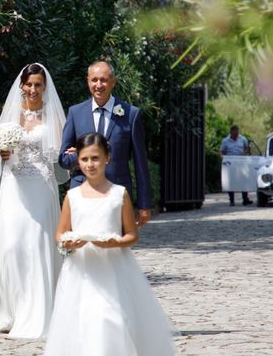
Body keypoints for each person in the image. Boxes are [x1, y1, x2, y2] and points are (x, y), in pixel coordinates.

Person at [45, 133, 176, 356]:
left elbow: (132, 235)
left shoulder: (119, 194)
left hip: (113, 270)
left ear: (108, 157)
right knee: (83, 324)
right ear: (78, 161)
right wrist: (68, 242)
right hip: (81, 272)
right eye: (84, 159)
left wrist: (113, 242)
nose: (90, 164)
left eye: (95, 158)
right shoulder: (72, 197)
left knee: (110, 320)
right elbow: (60, 234)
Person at [0, 63, 69, 338]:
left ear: (45, 88)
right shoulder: (11, 114)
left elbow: (60, 155)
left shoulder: (53, 115)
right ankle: (7, 311)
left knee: (37, 244)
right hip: (14, 186)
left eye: (38, 85)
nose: (33, 89)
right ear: (22, 85)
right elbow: (0, 150)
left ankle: (40, 310)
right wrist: (4, 153)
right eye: (29, 84)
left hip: (41, 187)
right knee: (11, 246)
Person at [59, 61, 152, 227]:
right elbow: (63, 159)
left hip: (116, 194)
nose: (98, 85)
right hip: (82, 193)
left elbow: (140, 163)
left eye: (104, 80)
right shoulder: (75, 112)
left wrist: (144, 204)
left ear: (113, 82)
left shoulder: (131, 114)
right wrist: (80, 153)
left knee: (114, 249)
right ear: (87, 81)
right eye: (94, 80)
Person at [219, 124, 253, 206]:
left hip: (241, 162)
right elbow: (221, 151)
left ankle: (245, 199)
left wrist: (245, 153)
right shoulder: (225, 141)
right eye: (234, 134)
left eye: (237, 134)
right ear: (230, 133)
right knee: (231, 181)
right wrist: (223, 157)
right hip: (230, 164)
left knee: (243, 180)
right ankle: (232, 200)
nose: (235, 135)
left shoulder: (243, 139)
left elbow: (248, 148)